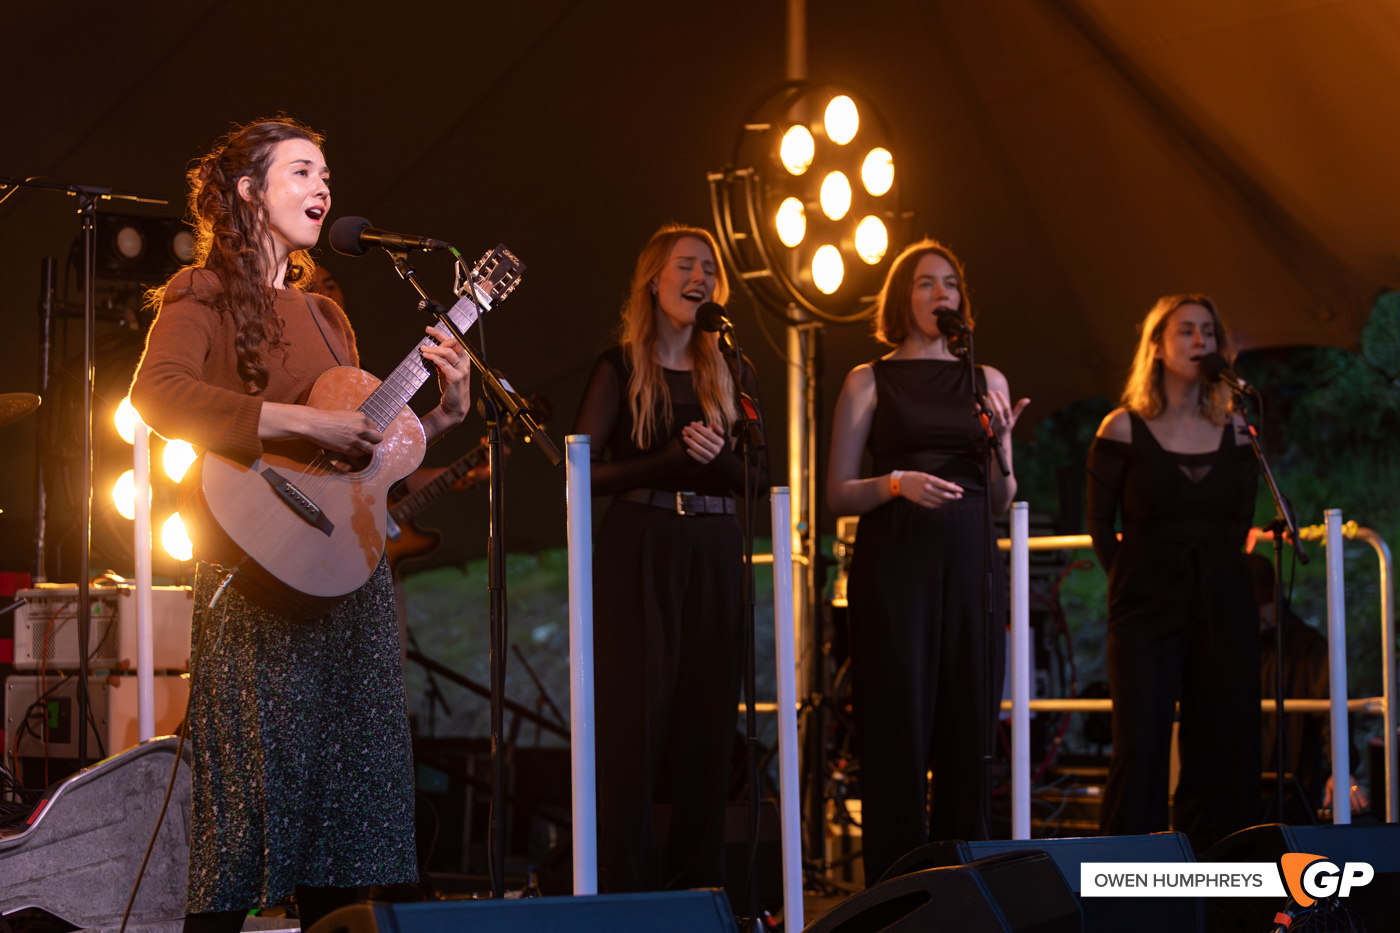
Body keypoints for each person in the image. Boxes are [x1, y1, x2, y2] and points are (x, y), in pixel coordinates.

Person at [129, 117, 472, 930]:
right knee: (245, 821)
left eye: (327, 175)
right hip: (253, 580)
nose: (323, 188)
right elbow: (159, 394)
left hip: (346, 589)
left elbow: (365, 464)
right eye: (302, 172)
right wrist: (301, 425)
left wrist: (448, 414)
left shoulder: (329, 315)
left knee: (347, 829)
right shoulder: (199, 292)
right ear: (248, 191)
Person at [572, 223, 766, 893]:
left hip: (714, 547)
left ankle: (699, 887)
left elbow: (755, 475)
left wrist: (722, 458)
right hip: (641, 542)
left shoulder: (731, 368)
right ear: (654, 280)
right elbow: (582, 471)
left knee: (710, 723)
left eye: (710, 268)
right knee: (634, 720)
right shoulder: (620, 365)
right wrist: (670, 458)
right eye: (686, 264)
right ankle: (623, 888)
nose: (700, 277)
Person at [827, 239, 1028, 884]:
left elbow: (1001, 498)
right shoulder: (869, 379)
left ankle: (966, 886)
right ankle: (897, 888)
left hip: (970, 555)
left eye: (950, 284)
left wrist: (1001, 449)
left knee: (970, 723)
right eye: (925, 283)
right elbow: (835, 493)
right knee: (897, 722)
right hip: (897, 561)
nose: (941, 294)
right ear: (900, 298)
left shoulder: (986, 381)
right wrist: (895, 484)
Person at [1087, 294, 1259, 853]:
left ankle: (1214, 873)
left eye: (1208, 331)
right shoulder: (1122, 428)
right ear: (1158, 346)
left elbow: (1240, 521)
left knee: (1221, 738)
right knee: (1140, 743)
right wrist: (1138, 576)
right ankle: (1127, 879)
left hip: (1220, 600)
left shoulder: (1237, 432)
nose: (1199, 342)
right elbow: (1097, 522)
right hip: (1144, 604)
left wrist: (1209, 573)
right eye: (1185, 331)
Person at [1249, 553, 1368, 820]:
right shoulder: (1228, 648)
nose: (1261, 613)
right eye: (1253, 605)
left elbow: (1331, 708)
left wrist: (1340, 769)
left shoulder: (1308, 646)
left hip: (1296, 789)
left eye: (1266, 604)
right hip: (1241, 788)